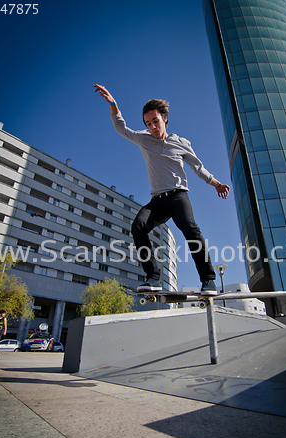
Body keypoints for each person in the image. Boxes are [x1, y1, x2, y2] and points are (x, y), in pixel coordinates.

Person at [94, 84, 230, 295]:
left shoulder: (181, 143)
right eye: (148, 123)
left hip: (178, 197)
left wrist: (216, 184)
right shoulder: (142, 138)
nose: (152, 127)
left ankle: (208, 280)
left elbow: (198, 168)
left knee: (191, 229)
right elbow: (121, 128)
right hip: (157, 201)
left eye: (155, 121)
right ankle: (153, 278)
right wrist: (113, 104)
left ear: (165, 118)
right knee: (138, 226)